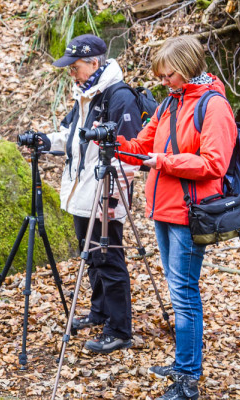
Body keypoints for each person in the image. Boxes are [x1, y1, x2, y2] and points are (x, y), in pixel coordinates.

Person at [116, 36, 237, 399]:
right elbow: (142, 146)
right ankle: (183, 363)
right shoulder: (171, 102)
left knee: (184, 293)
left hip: (189, 213)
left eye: (169, 75)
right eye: (162, 76)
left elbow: (214, 164)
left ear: (186, 70)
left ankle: (187, 377)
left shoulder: (214, 107)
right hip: (163, 209)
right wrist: (111, 143)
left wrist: (164, 162)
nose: (163, 81)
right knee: (177, 288)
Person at [41, 34, 142, 354]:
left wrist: (111, 200)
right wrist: (45, 142)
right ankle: (100, 312)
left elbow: (130, 155)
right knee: (95, 262)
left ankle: (119, 329)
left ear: (95, 63)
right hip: (81, 191)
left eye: (76, 66)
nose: (71, 72)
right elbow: (74, 139)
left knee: (109, 260)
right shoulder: (85, 94)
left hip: (104, 194)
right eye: (69, 66)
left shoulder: (118, 97)